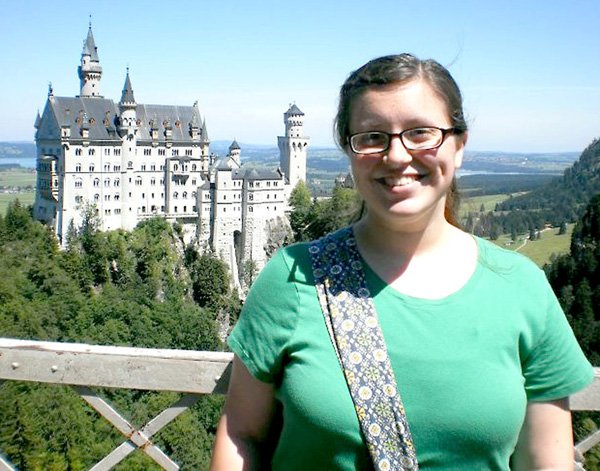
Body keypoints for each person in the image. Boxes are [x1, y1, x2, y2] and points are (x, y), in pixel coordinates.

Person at [210, 54, 593, 470]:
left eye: (421, 132)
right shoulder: (293, 277)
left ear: (459, 146)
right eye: (372, 136)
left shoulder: (523, 288)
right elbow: (241, 434)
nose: (396, 155)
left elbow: (546, 461)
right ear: (350, 151)